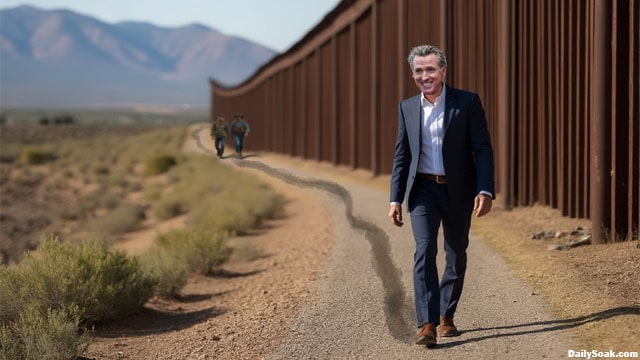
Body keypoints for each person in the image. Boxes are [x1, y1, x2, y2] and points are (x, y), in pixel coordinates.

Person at [388, 45, 495, 348]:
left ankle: (447, 313)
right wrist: (395, 199)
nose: (425, 76)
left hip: (459, 189)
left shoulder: (467, 102)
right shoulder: (407, 108)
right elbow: (401, 156)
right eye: (419, 71)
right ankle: (427, 323)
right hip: (423, 189)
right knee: (424, 250)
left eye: (431, 69)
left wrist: (484, 189)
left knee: (456, 253)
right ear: (413, 75)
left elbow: (483, 149)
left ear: (443, 71)